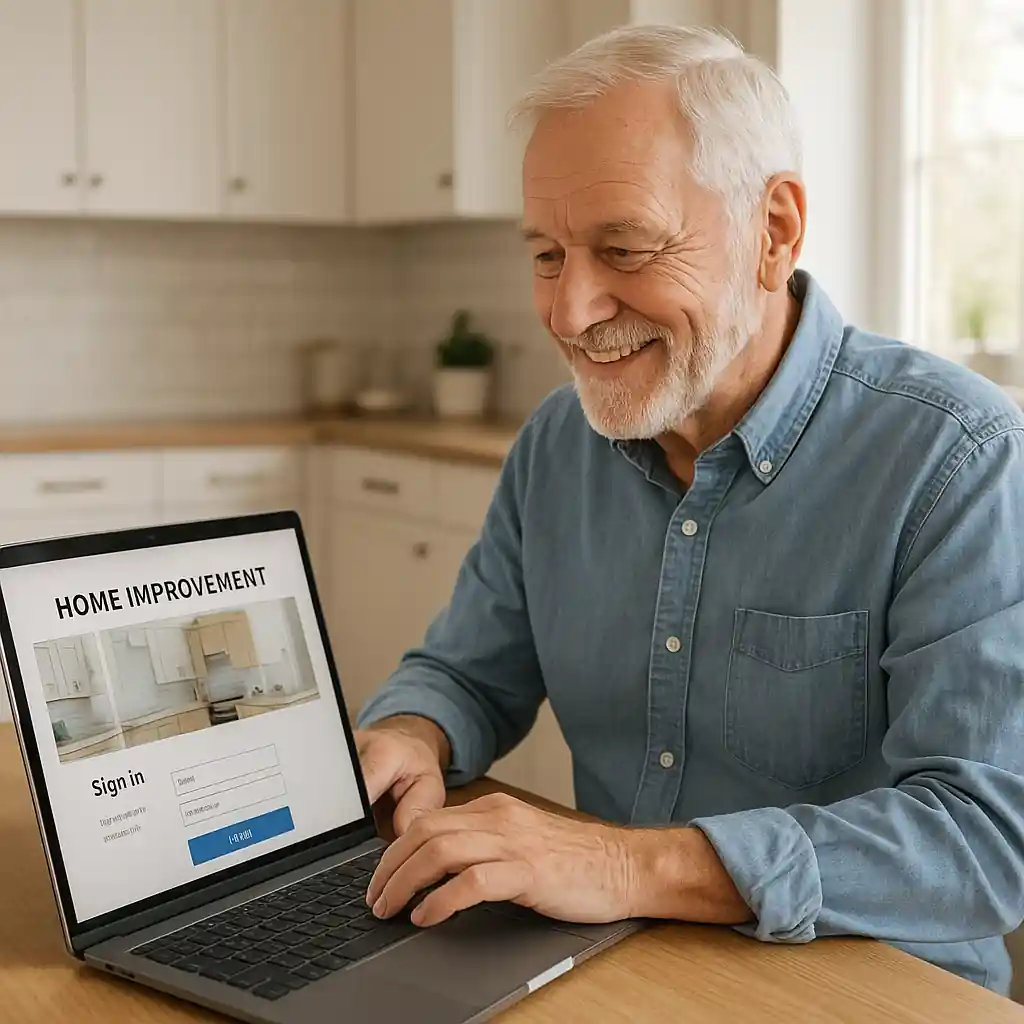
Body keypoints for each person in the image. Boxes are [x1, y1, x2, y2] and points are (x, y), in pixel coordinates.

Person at [352, 24, 1024, 994]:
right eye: (546, 254)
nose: (570, 310)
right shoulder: (556, 442)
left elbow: (985, 839)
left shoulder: (956, 455)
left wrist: (623, 864)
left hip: (871, 992)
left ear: (775, 229)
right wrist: (413, 732)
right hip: (608, 971)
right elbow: (466, 667)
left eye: (624, 247)